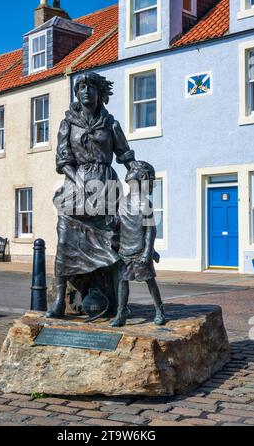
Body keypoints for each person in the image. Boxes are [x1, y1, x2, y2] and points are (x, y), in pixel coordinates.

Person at [46, 72, 137, 318]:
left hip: (105, 189)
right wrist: (80, 182)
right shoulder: (68, 123)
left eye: (91, 87)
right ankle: (58, 301)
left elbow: (125, 155)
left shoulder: (110, 124)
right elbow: (62, 159)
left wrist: (138, 175)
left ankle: (118, 303)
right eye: (81, 87)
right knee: (64, 240)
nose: (86, 91)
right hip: (76, 190)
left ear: (99, 93)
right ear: (77, 93)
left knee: (112, 243)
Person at [109, 161, 166, 327]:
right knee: (122, 282)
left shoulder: (145, 203)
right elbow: (117, 226)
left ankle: (159, 310)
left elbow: (151, 231)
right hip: (125, 251)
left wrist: (148, 253)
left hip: (140, 251)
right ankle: (121, 313)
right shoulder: (121, 203)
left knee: (150, 281)